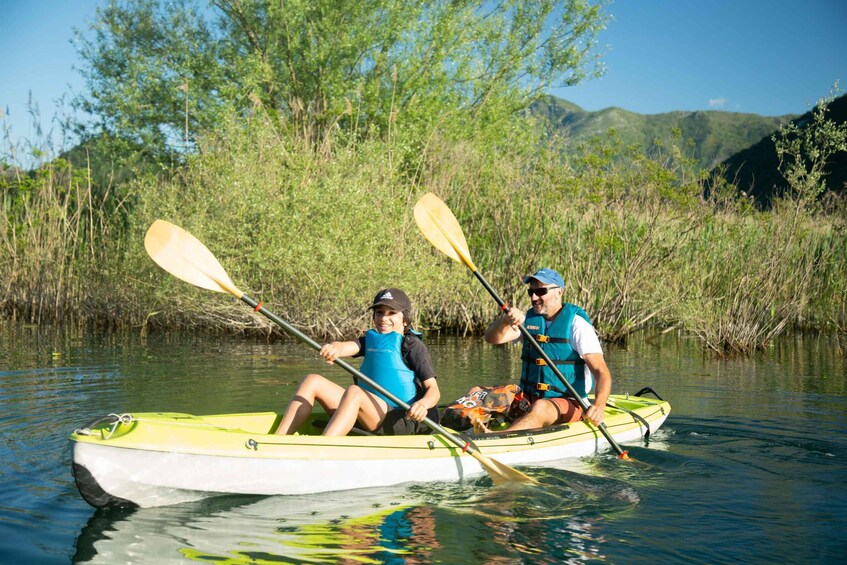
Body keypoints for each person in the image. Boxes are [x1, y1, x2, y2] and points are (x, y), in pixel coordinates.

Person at [275, 288, 440, 437]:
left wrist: (422, 405)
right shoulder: (369, 341)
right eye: (379, 312)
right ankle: (278, 441)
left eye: (392, 313)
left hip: (399, 419)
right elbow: (343, 347)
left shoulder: (413, 346)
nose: (384, 318)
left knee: (355, 392)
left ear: (405, 319)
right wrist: (334, 348)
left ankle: (323, 448)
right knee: (312, 381)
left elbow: (433, 390)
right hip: (369, 412)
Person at [483, 268, 611, 431]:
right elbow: (492, 338)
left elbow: (602, 372)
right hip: (529, 398)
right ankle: (449, 430)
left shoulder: (577, 324)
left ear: (559, 292)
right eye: (531, 292)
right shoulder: (528, 320)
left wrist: (599, 406)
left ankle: (497, 442)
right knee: (479, 393)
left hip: (569, 402)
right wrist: (505, 321)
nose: (534, 297)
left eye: (541, 291)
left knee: (541, 408)